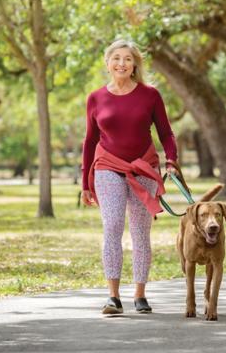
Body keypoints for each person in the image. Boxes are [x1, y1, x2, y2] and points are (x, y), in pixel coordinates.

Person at [81, 39, 179, 314]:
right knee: (112, 227)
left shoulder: (150, 95)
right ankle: (113, 297)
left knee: (140, 232)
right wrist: (84, 183)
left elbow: (166, 133)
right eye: (116, 58)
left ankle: (140, 295)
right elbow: (90, 141)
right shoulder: (96, 98)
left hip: (143, 167)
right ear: (108, 63)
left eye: (127, 58)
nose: (121, 63)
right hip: (107, 167)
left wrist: (171, 160)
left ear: (135, 64)